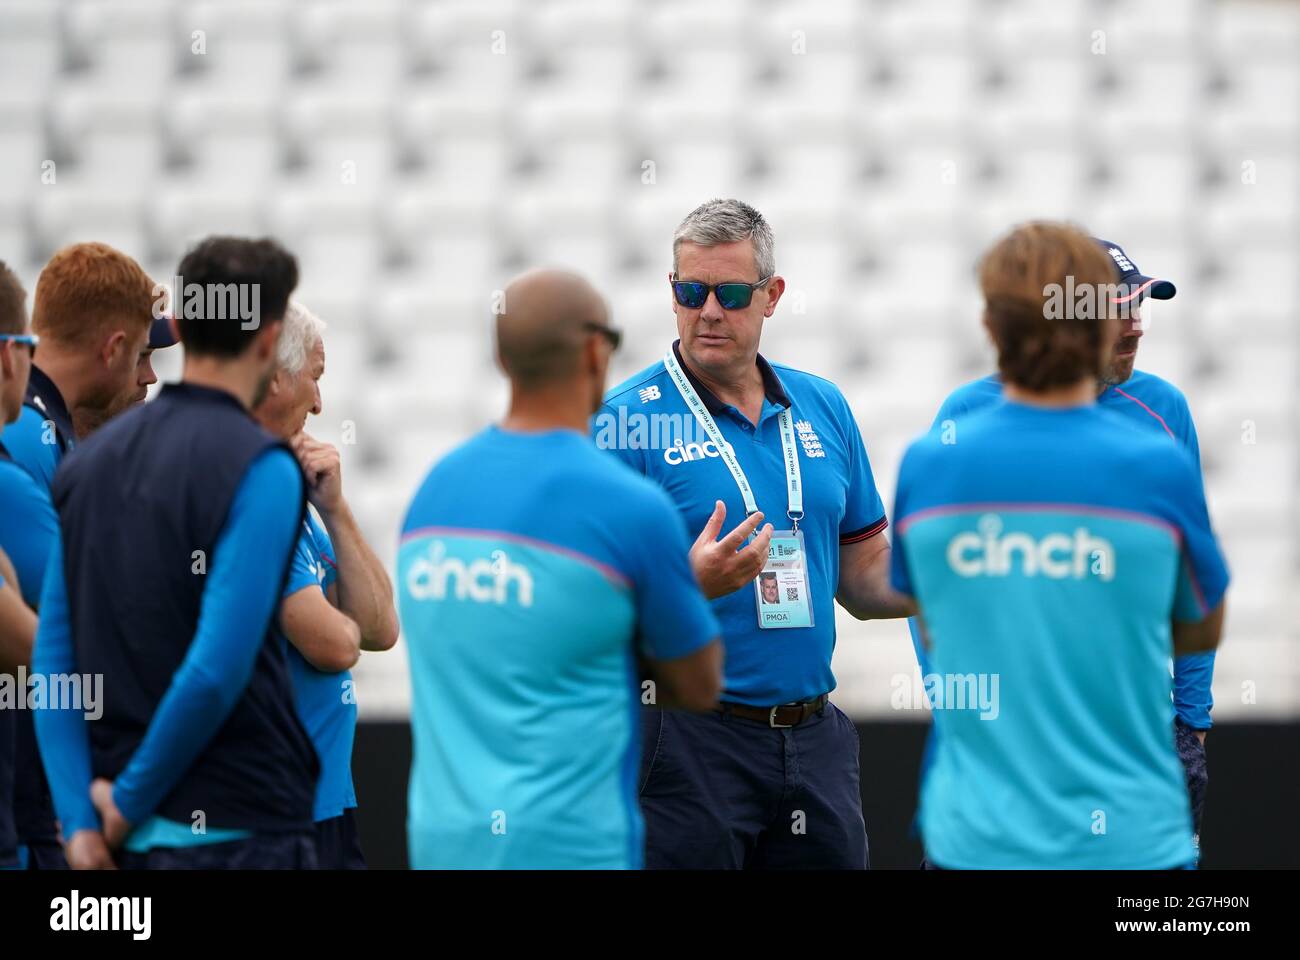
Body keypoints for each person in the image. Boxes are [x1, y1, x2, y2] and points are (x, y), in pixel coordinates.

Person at [890, 221, 1228, 868]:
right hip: (1115, 824)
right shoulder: (1147, 466)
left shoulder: (931, 462)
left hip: (994, 821)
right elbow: (1199, 616)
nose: (1132, 326)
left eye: (1139, 310)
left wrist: (1191, 721)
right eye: (1116, 311)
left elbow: (931, 612)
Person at [594, 198, 911, 870]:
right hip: (684, 743)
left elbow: (864, 576)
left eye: (732, 293)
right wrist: (687, 586)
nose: (708, 310)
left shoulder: (822, 405)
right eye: (690, 290)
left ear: (772, 296)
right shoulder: (621, 424)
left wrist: (958, 572)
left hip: (813, 734)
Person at [400, 268, 722, 869]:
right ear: (596, 351)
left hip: (442, 842)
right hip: (571, 846)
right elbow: (698, 685)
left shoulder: (434, 492)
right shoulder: (626, 505)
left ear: (501, 357)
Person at [33, 236, 319, 869]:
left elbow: (54, 656)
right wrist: (128, 802)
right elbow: (216, 668)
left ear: (183, 326)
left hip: (121, 846)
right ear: (269, 340)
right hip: (243, 831)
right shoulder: (263, 467)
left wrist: (81, 825)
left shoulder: (88, 460)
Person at [1, 243, 173, 868]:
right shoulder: (25, 433)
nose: (150, 377)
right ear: (113, 348)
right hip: (23, 802)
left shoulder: (51, 429)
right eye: (144, 354)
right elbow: (63, 633)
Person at [252, 300, 399, 869]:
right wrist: (340, 618)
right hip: (277, 812)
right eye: (314, 379)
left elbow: (381, 629)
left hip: (323, 804)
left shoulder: (297, 492)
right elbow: (338, 645)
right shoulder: (250, 490)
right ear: (273, 379)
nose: (319, 402)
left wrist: (336, 511)